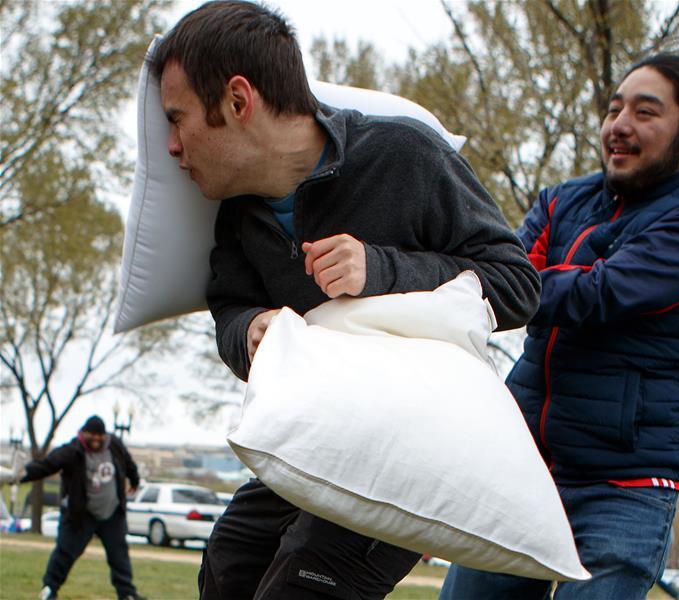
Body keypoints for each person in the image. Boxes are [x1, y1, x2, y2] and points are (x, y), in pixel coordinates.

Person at [151, 2, 540, 599]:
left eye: (177, 120)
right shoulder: (234, 213)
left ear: (237, 100)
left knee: (301, 586)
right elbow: (229, 311)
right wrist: (249, 331)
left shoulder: (404, 156)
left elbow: (517, 285)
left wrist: (380, 268)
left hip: (412, 441)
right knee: (228, 563)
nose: (173, 147)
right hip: (316, 434)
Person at [440, 53, 679, 599]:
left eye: (645, 112)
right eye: (615, 108)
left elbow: (600, 293)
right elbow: (497, 286)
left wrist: (530, 280)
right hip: (522, 465)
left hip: (625, 489)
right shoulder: (560, 200)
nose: (619, 124)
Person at [18, 416, 143, 600]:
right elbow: (47, 465)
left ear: (105, 435)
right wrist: (21, 475)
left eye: (100, 435)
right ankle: (49, 589)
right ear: (83, 433)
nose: (96, 439)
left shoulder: (114, 444)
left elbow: (128, 462)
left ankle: (127, 594)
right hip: (81, 514)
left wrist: (134, 479)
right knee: (64, 552)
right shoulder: (72, 451)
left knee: (119, 556)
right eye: (91, 435)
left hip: (112, 513)